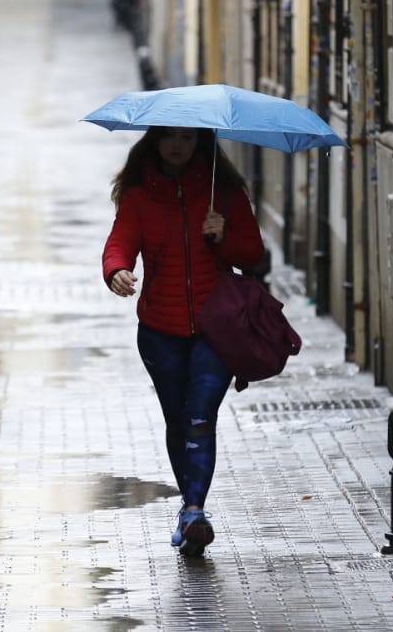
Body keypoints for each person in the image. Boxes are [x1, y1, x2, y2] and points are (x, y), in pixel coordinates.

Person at [102, 126, 266, 558]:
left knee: (199, 418)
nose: (178, 145)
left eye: (188, 138)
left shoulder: (224, 191)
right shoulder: (140, 195)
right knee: (178, 421)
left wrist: (224, 233)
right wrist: (116, 269)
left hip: (217, 328)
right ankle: (188, 508)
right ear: (155, 141)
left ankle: (194, 510)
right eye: (169, 137)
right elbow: (120, 241)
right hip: (159, 330)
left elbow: (252, 255)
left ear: (201, 144)